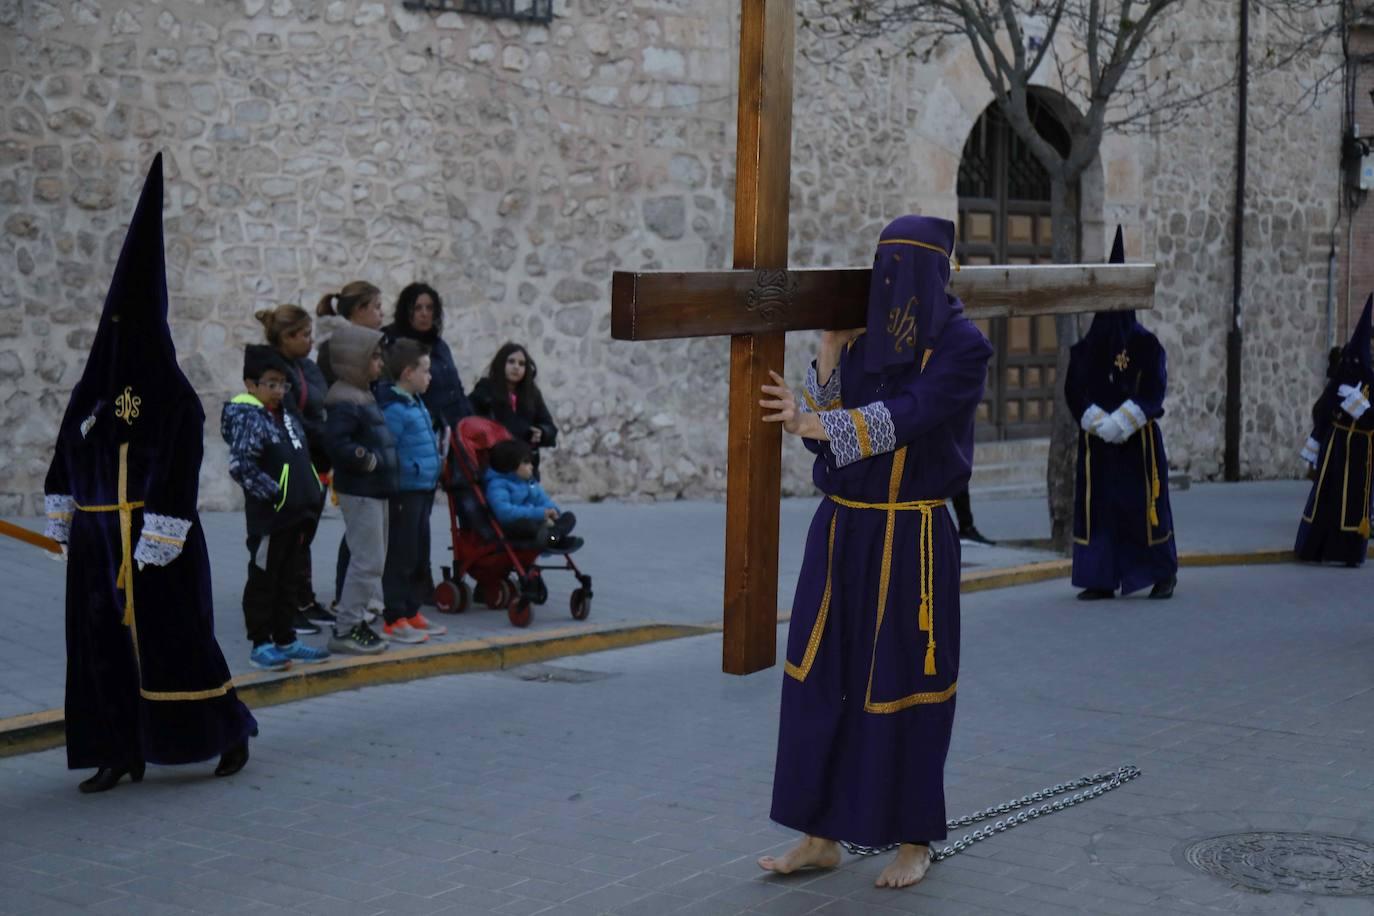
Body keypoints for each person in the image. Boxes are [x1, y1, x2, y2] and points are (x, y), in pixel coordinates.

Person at [756, 215, 993, 888]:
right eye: (882, 264)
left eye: (905, 267)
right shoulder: (867, 340)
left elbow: (910, 415)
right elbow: (820, 441)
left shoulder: (963, 347)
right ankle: (820, 835)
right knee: (818, 677)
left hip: (912, 541)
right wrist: (830, 351)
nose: (891, 281)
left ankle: (914, 841)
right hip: (841, 532)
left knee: (905, 688)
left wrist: (812, 417)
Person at [43, 154, 257, 793]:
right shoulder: (91, 393)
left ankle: (222, 729)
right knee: (99, 652)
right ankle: (116, 750)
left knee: (175, 643)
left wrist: (158, 534)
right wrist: (63, 509)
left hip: (153, 545)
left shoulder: (171, 395)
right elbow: (64, 455)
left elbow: (179, 465)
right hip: (96, 542)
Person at [1064, 227, 1178, 601]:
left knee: (1143, 508)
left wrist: (1126, 419)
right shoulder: (1085, 349)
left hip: (1137, 444)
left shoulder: (1147, 346)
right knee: (1100, 510)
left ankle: (1160, 573)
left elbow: (1154, 389)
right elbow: (1073, 390)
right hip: (1098, 446)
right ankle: (1099, 576)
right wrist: (1096, 420)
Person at [222, 345, 332, 670]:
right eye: (270, 384)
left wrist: (308, 490)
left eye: (282, 384)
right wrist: (276, 493)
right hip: (270, 517)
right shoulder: (248, 417)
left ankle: (286, 638)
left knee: (289, 578)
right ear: (251, 385)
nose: (277, 391)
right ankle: (261, 643)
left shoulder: (284, 416)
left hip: (297, 514)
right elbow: (241, 465)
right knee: (264, 579)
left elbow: (301, 455)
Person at [256, 304, 334, 634]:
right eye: (303, 335)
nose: (310, 341)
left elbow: (321, 403)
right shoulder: (274, 371)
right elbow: (289, 418)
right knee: (286, 539)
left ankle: (302, 598)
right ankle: (282, 609)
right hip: (288, 464)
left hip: (315, 461)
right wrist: (321, 433)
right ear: (286, 337)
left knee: (304, 535)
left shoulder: (306, 367)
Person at [323, 324, 398, 655]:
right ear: (356, 360)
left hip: (375, 490)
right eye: (375, 358)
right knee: (366, 560)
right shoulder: (343, 398)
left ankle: (359, 620)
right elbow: (338, 444)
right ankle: (346, 628)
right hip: (362, 490)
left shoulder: (363, 393)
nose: (380, 364)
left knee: (374, 560)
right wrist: (367, 461)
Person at [314, 281, 383, 614]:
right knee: (359, 533)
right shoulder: (338, 347)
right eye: (376, 307)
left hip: (364, 442)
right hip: (351, 449)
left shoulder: (362, 343)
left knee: (364, 535)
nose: (381, 313)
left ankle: (359, 598)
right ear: (358, 311)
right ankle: (349, 601)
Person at [378, 339, 448, 644]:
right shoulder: (395, 409)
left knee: (419, 552)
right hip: (405, 492)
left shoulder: (415, 403)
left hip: (423, 489)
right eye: (425, 371)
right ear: (408, 373)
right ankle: (394, 617)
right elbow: (388, 448)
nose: (429, 377)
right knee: (401, 555)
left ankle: (412, 609)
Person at [1296, 293, 1374, 566]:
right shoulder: (1347, 370)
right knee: (1328, 496)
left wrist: (1363, 411)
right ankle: (1316, 548)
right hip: (1337, 445)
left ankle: (1350, 552)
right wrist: (1320, 434)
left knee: (1353, 503)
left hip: (1362, 450)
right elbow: (1326, 403)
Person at [382, 283, 473, 430]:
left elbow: (456, 387)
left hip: (458, 428)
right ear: (406, 311)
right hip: (424, 429)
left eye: (429, 308)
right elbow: (392, 390)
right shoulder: (394, 345)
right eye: (417, 308)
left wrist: (469, 416)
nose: (424, 314)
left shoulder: (439, 345)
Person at [470, 343, 557, 477]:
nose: (516, 367)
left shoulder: (532, 394)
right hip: (496, 468)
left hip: (526, 469)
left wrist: (542, 432)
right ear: (501, 363)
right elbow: (471, 423)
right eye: (511, 361)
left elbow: (550, 427)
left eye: (522, 364)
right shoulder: (485, 390)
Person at [484, 439, 581, 550]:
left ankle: (554, 537)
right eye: (526, 462)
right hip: (514, 526)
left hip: (540, 521)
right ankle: (554, 539)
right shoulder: (498, 485)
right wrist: (539, 513)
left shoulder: (529, 482)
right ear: (510, 465)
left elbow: (542, 499)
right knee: (527, 526)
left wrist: (552, 510)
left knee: (569, 517)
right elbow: (505, 513)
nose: (531, 466)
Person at [315, 282, 384, 386]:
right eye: (377, 307)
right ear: (360, 309)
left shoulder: (371, 344)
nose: (382, 313)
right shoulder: (335, 347)